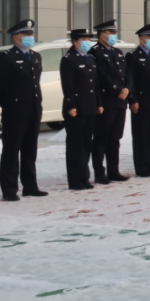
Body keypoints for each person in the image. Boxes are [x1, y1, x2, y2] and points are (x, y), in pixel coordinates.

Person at [0, 19, 47, 201]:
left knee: (30, 151)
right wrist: (10, 103)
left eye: (31, 34)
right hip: (15, 111)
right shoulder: (6, 57)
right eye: (26, 34)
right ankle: (9, 189)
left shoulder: (36, 56)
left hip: (33, 109)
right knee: (11, 151)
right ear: (16, 37)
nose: (30, 37)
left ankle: (30, 186)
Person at [60, 29, 102, 190]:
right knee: (75, 146)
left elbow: (95, 85)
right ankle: (75, 180)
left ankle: (85, 177)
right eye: (83, 39)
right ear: (75, 41)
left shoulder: (90, 58)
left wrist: (99, 103)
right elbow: (67, 85)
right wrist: (71, 105)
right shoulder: (69, 59)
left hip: (90, 106)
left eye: (88, 39)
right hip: (76, 108)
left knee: (86, 144)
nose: (87, 42)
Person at [89, 20, 129, 184]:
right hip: (106, 100)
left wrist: (126, 89)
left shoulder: (117, 52)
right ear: (101, 34)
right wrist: (116, 90)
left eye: (114, 33)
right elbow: (101, 75)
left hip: (120, 102)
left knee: (115, 138)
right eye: (110, 33)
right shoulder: (95, 52)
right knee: (101, 138)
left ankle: (114, 170)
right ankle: (100, 173)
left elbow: (125, 74)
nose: (113, 36)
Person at [126, 23, 150, 177]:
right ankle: (141, 166)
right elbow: (131, 80)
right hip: (141, 102)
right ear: (141, 39)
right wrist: (133, 100)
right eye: (149, 36)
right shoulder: (133, 56)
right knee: (141, 135)